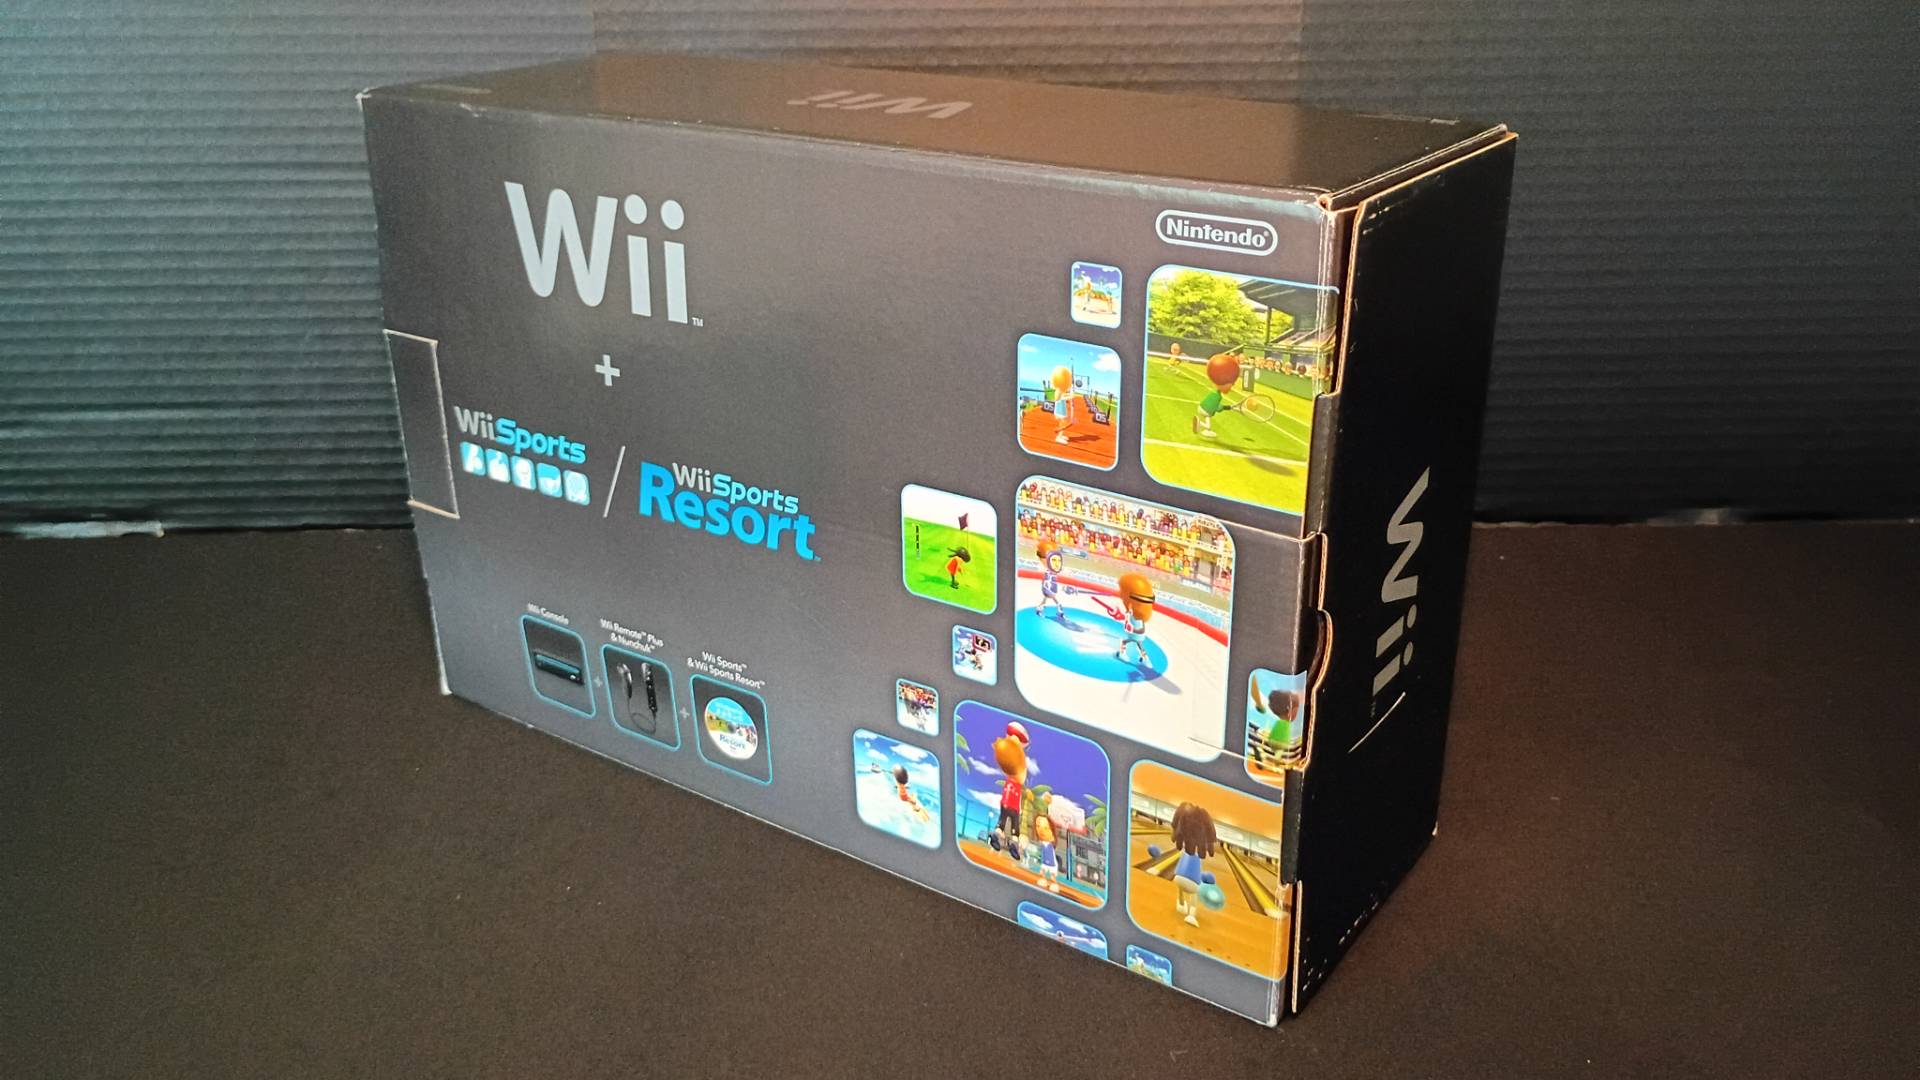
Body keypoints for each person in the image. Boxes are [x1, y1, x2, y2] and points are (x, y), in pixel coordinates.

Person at [1169, 802, 1218, 928]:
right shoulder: (1197, 854)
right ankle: (1191, 915)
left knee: (1181, 887)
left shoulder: (1185, 851)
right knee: (1195, 892)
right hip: (1192, 881)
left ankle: (1181, 903)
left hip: (1177, 877)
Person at [988, 722, 1029, 859]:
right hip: (1013, 807)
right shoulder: (1016, 780)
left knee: (1003, 821)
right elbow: (1021, 778)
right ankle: (1012, 843)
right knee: (1014, 826)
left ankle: (999, 833)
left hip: (1005, 804)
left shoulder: (1010, 781)